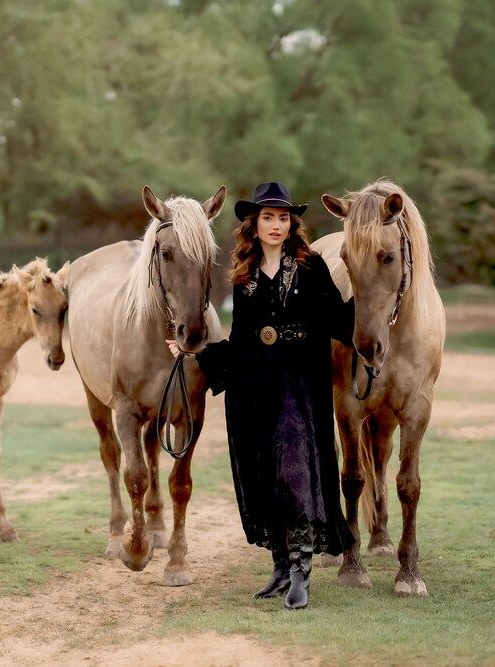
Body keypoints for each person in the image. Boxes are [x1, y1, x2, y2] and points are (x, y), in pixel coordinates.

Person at [167, 181, 355, 610]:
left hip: (300, 385)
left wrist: (377, 308)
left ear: (292, 224)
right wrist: (194, 350)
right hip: (255, 389)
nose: (276, 225)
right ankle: (280, 566)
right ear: (254, 224)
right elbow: (242, 342)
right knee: (265, 470)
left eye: (283, 217)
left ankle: (302, 570)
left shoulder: (310, 268)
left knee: (295, 468)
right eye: (268, 217)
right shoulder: (244, 277)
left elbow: (338, 319)